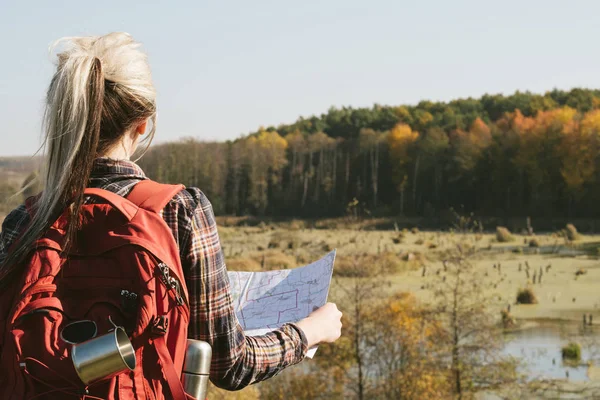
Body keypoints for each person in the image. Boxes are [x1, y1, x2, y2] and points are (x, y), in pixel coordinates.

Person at [0, 32, 342, 391]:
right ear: (143, 124)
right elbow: (231, 364)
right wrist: (308, 331)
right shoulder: (179, 211)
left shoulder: (25, 222)